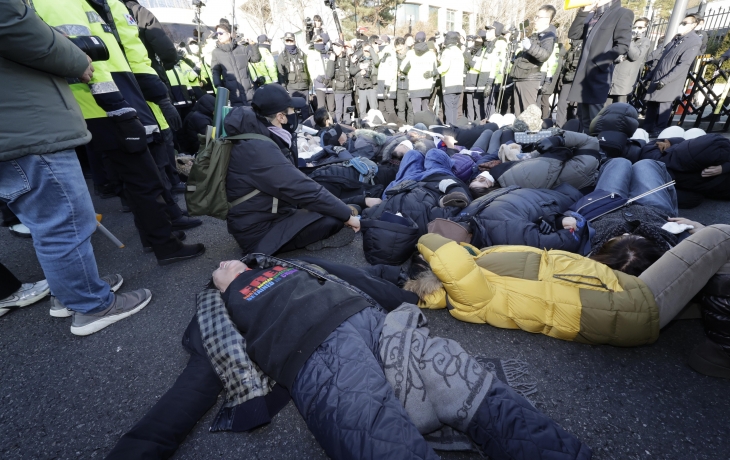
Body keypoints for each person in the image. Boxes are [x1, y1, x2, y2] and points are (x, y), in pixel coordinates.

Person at [106, 255, 591, 460]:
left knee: (465, 393)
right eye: (222, 270)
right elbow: (197, 381)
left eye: (229, 266)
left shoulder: (266, 276)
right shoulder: (222, 303)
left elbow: (352, 275)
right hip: (337, 340)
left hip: (352, 333)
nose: (225, 267)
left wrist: (405, 299)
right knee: (407, 418)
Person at [0, 0, 153, 336]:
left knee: (48, 223)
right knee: (65, 222)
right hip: (25, 127)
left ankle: (70, 294)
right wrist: (76, 58)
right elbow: (17, 27)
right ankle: (92, 306)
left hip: (15, 128)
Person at [30, 0, 205, 267]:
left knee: (138, 178)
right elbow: (87, 59)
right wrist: (116, 106)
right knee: (143, 177)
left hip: (108, 98)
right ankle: (165, 245)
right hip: (104, 102)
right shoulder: (59, 3)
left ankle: (156, 237)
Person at [225, 84, 361, 254]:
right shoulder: (258, 149)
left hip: (270, 216)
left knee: (337, 208)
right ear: (281, 117)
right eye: (291, 111)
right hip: (260, 235)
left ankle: (345, 212)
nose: (295, 115)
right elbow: (301, 188)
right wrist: (347, 216)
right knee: (334, 219)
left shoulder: (257, 135)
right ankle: (318, 241)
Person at [567, 0, 633, 132]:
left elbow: (622, 45)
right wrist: (584, 11)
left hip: (598, 73)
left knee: (594, 120)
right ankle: (583, 147)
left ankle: (594, 149)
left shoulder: (622, 13)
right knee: (582, 118)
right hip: (582, 74)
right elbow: (573, 34)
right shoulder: (593, 14)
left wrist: (600, 63)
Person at [642, 15, 702, 137]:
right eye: (682, 22)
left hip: (670, 80)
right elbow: (662, 59)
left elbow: (684, 64)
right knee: (652, 105)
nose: (682, 24)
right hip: (658, 76)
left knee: (664, 107)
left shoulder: (694, 40)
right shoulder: (677, 38)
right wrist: (651, 75)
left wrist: (666, 80)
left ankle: (659, 132)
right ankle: (646, 129)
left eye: (685, 23)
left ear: (694, 25)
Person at [510, 5, 557, 116]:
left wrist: (530, 47)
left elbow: (545, 55)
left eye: (538, 17)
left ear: (547, 19)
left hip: (529, 78)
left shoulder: (548, 35)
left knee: (528, 115)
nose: (534, 20)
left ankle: (531, 133)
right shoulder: (535, 35)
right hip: (520, 76)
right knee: (519, 115)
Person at [211, 23, 262, 106]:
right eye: (217, 34)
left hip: (249, 93)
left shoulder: (242, 49)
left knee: (253, 116)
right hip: (233, 96)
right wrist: (220, 87)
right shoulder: (216, 52)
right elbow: (215, 71)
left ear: (229, 34)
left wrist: (253, 45)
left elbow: (256, 58)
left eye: (221, 33)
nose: (218, 36)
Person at [608, 17, 652, 104]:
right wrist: (619, 58)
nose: (636, 29)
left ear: (645, 28)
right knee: (606, 109)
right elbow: (614, 52)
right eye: (635, 27)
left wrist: (630, 40)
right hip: (612, 78)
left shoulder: (645, 41)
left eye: (640, 27)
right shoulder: (625, 38)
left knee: (619, 109)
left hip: (625, 81)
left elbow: (635, 56)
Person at [401, 32, 438, 114]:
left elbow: (403, 68)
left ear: (415, 40)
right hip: (427, 86)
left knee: (416, 111)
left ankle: (417, 126)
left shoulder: (411, 53)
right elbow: (435, 71)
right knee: (425, 110)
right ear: (425, 40)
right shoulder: (431, 54)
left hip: (414, 86)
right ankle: (426, 126)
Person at [277, 31, 311, 119]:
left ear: (294, 41)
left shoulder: (302, 54)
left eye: (291, 41)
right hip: (292, 88)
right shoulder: (282, 56)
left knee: (306, 109)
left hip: (304, 87)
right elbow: (280, 73)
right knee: (292, 111)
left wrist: (310, 85)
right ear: (284, 42)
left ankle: (307, 127)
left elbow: (308, 69)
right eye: (287, 41)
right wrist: (284, 87)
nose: (289, 43)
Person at [436, 31, 465, 125]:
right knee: (455, 109)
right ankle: (454, 129)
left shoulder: (447, 51)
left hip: (449, 84)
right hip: (458, 84)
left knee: (448, 108)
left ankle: (450, 130)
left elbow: (444, 67)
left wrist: (434, 71)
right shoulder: (459, 51)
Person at [327, 40, 356, 123]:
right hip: (338, 90)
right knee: (338, 110)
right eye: (335, 46)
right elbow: (329, 74)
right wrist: (331, 61)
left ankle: (348, 124)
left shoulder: (348, 58)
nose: (336, 48)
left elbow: (351, 72)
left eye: (338, 46)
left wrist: (354, 64)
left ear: (342, 48)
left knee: (348, 110)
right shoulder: (332, 58)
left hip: (348, 89)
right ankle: (339, 125)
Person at [555, 38, 583, 127]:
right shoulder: (572, 47)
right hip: (568, 79)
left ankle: (576, 129)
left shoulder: (585, 44)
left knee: (577, 108)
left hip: (580, 80)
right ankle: (560, 128)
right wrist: (561, 79)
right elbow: (566, 65)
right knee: (562, 104)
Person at [375, 35, 399, 122]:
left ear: (387, 43)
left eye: (381, 43)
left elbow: (391, 71)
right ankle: (389, 125)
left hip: (388, 86)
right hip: (381, 84)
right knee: (381, 109)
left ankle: (394, 126)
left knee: (390, 110)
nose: (378, 45)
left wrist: (387, 86)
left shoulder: (390, 53)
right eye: (377, 43)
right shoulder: (382, 54)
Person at [353, 45, 380, 118]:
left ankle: (375, 125)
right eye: (365, 50)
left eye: (368, 50)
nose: (367, 52)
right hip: (362, 86)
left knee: (374, 109)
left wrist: (371, 49)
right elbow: (353, 72)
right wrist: (360, 73)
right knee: (362, 110)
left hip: (372, 85)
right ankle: (363, 125)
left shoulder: (374, 58)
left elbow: (377, 62)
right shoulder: (358, 59)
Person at [395, 37, 414, 125]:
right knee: (401, 109)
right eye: (398, 49)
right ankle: (401, 127)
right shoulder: (394, 56)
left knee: (411, 109)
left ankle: (410, 127)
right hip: (399, 86)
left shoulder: (411, 55)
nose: (400, 51)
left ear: (405, 46)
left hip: (409, 85)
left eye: (401, 49)